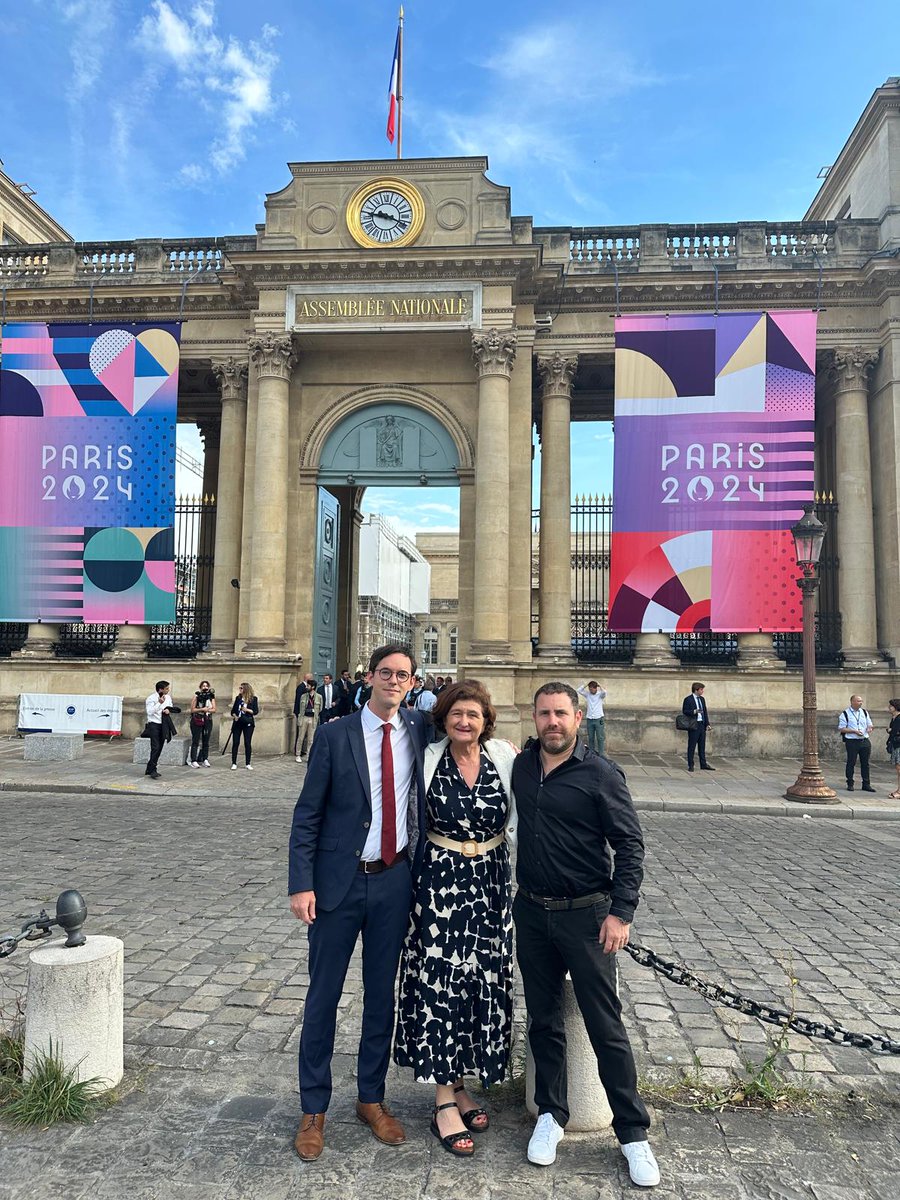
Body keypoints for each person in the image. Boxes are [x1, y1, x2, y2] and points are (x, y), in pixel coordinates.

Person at [512, 682, 659, 1189]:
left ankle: (633, 1132)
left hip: (587, 916)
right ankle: (551, 1115)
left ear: (579, 717)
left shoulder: (601, 773)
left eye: (561, 713)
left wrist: (621, 913)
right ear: (534, 718)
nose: (552, 722)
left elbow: (630, 845)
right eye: (544, 714)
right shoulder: (522, 766)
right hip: (532, 912)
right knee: (543, 1019)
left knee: (605, 1025)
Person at [288, 644, 428, 1162]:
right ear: (370, 677)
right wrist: (301, 884)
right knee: (322, 996)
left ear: (412, 683)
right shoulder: (334, 734)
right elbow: (308, 813)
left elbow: (471, 727)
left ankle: (371, 1098)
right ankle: (313, 1108)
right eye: (386, 672)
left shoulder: (418, 730)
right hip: (336, 884)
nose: (394, 681)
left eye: (403, 675)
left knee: (380, 998)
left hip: (394, 882)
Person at [394, 679, 517, 1158]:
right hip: (439, 886)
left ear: (486, 721)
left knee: (480, 984)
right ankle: (443, 1101)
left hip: (490, 885)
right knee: (441, 986)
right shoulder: (427, 758)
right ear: (443, 719)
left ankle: (461, 1084)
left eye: (473, 715)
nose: (464, 722)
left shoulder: (503, 758)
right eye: (456, 714)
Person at [839, 694, 875, 792]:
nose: (860, 703)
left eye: (861, 701)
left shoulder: (864, 712)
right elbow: (842, 728)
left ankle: (866, 784)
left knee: (865, 763)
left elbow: (870, 724)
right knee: (851, 762)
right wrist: (854, 731)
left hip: (864, 740)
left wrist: (869, 728)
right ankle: (850, 783)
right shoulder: (845, 713)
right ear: (852, 702)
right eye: (858, 701)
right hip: (852, 741)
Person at [144, 680, 174, 779]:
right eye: (166, 688)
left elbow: (170, 706)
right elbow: (149, 712)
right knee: (155, 747)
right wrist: (159, 703)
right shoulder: (151, 698)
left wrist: (168, 710)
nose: (168, 690)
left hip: (164, 724)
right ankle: (153, 769)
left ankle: (150, 768)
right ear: (160, 689)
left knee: (160, 747)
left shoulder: (168, 697)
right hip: (154, 724)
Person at [681, 682, 714, 772]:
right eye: (701, 689)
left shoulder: (702, 699)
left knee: (702, 746)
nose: (702, 691)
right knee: (692, 746)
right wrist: (694, 711)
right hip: (693, 725)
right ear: (696, 690)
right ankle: (691, 765)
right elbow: (685, 711)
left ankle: (703, 764)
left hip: (701, 724)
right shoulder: (688, 699)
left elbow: (705, 712)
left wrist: (707, 724)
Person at [230, 682, 259, 770]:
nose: (240, 689)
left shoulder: (253, 699)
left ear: (246, 689)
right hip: (238, 722)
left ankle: (248, 763)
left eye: (241, 688)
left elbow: (255, 711)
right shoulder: (238, 698)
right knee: (235, 742)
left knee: (247, 743)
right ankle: (234, 763)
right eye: (240, 688)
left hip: (248, 723)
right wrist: (235, 716)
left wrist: (247, 710)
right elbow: (233, 711)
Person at [189, 680, 216, 768]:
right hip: (197, 720)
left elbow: (214, 709)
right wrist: (202, 709)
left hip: (207, 720)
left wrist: (207, 710)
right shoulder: (196, 696)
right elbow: (192, 709)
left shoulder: (211, 697)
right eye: (203, 686)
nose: (205, 687)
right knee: (195, 740)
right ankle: (193, 760)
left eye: (206, 686)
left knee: (206, 740)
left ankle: (205, 759)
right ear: (200, 687)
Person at [294, 678, 321, 763]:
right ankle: (298, 754)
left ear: (313, 687)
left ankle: (309, 755)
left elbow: (320, 708)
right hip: (304, 717)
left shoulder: (319, 697)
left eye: (308, 686)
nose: (306, 687)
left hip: (313, 718)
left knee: (311, 739)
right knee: (301, 737)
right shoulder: (303, 696)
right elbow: (300, 707)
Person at [577, 680, 607, 755]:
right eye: (590, 689)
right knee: (591, 737)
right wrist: (586, 684)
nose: (591, 691)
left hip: (598, 719)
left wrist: (599, 685)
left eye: (592, 689)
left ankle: (601, 754)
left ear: (596, 688)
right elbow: (579, 690)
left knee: (600, 737)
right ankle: (591, 753)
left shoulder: (600, 695)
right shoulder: (588, 694)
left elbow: (604, 692)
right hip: (590, 719)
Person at [887, 700, 900, 800]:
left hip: (899, 745)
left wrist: (891, 730)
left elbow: (895, 731)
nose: (889, 707)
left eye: (891, 706)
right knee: (898, 768)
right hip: (896, 745)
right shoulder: (894, 718)